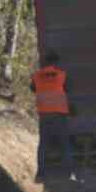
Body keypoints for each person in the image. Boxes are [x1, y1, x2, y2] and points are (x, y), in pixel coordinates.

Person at [31, 50, 76, 182]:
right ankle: (69, 172)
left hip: (44, 114)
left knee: (43, 144)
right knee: (64, 143)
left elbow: (32, 88)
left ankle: (40, 173)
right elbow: (67, 89)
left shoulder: (37, 76)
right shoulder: (62, 75)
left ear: (45, 62)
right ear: (56, 62)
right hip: (59, 114)